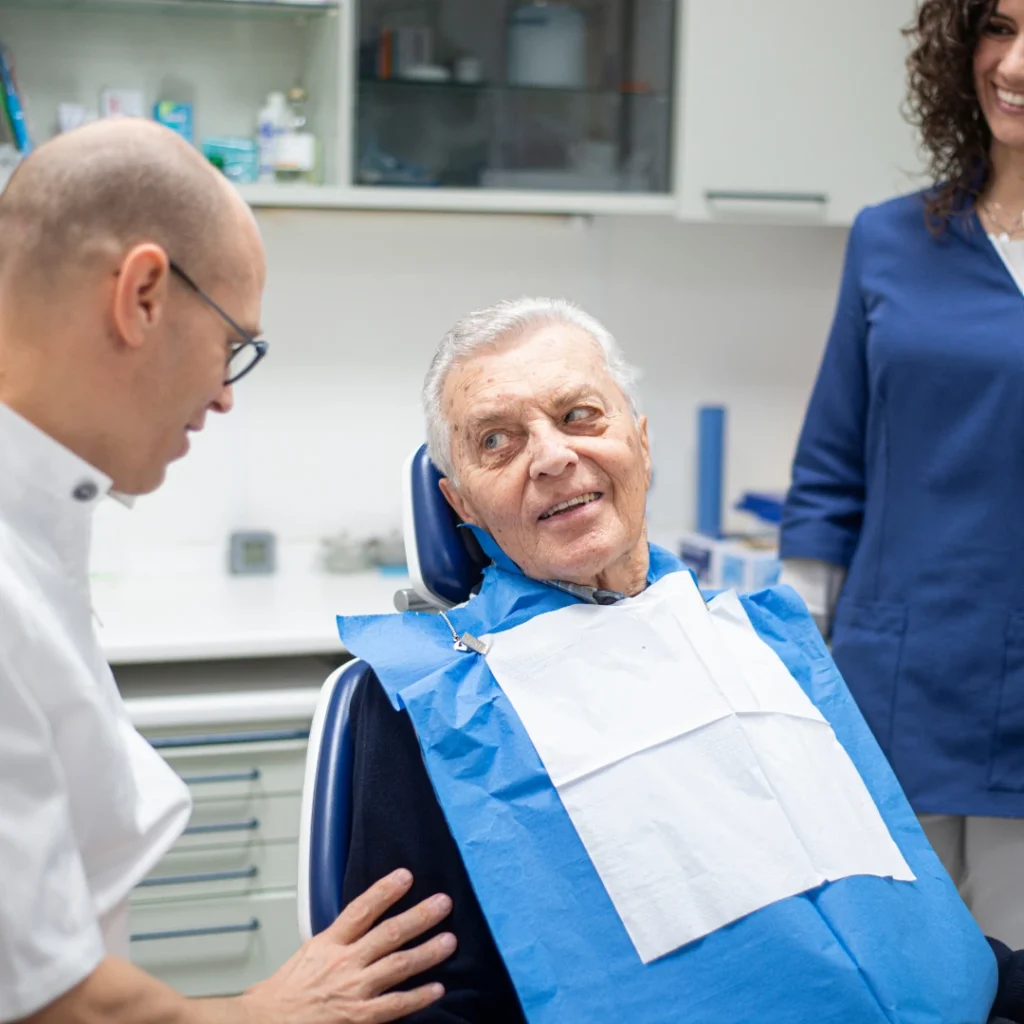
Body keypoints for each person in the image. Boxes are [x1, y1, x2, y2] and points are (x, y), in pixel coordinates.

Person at [335, 297, 1022, 1024]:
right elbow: (414, 1002)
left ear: (641, 441)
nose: (553, 456)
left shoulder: (762, 640)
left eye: (579, 416)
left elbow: (900, 915)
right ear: (461, 503)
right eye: (498, 441)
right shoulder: (434, 698)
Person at [0, 119, 457, 1024]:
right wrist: (266, 1011)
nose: (224, 394)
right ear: (140, 296)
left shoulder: (41, 525)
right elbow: (52, 1003)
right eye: (231, 345)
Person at [780, 0, 1024, 949]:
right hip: (896, 679)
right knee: (901, 984)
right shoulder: (890, 239)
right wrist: (797, 655)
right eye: (998, 29)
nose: (1013, 65)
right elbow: (833, 462)